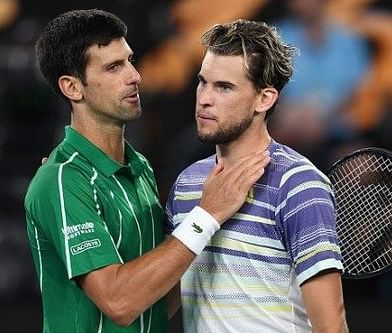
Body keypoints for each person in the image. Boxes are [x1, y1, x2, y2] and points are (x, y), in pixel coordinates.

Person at [24, 9, 270, 333]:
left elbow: (154, 301)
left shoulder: (139, 168)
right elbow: (120, 303)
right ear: (72, 88)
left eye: (129, 61)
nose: (134, 76)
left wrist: (218, 233)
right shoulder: (60, 180)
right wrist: (206, 216)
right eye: (113, 67)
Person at [166, 19, 348, 333]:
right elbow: (164, 301)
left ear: (264, 99)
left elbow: (331, 326)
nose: (204, 98)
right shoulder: (187, 184)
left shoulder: (298, 184)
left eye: (223, 87)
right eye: (202, 82)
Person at [268, 0, 370, 170]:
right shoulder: (272, 37)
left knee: (361, 167)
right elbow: (264, 85)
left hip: (334, 135)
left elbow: (357, 91)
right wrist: (290, 114)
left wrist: (322, 119)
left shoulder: (349, 40)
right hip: (285, 135)